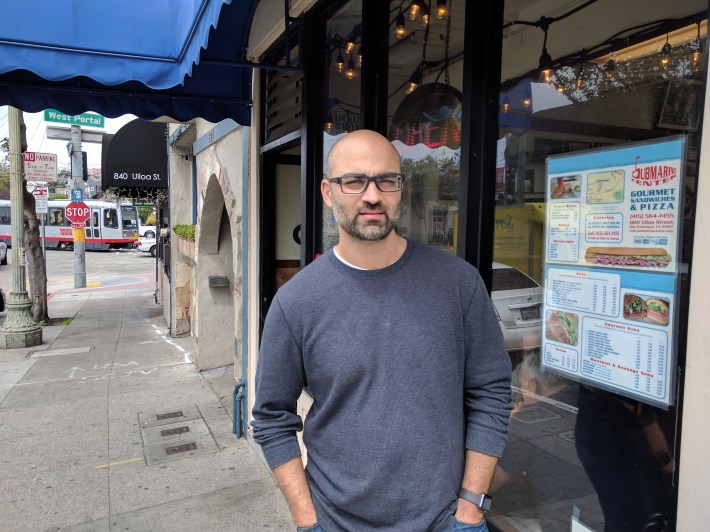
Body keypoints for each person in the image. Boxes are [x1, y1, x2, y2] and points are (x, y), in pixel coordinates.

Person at [251, 129, 512, 532]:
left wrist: (472, 505)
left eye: (386, 180)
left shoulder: (457, 284)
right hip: (335, 522)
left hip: (447, 521)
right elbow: (271, 417)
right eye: (354, 181)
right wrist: (307, 518)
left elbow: (491, 392)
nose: (372, 196)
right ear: (327, 191)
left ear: (400, 190)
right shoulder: (296, 301)